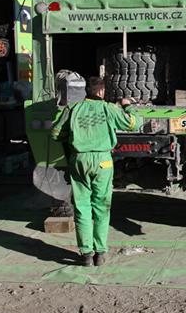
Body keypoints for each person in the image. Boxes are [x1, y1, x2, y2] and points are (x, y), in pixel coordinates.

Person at [51, 77, 141, 266]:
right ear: (101, 92)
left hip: (79, 160)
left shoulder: (73, 109)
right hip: (103, 162)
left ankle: (86, 255)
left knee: (82, 207)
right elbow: (134, 123)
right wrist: (127, 106)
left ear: (87, 92)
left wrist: (72, 137)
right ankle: (100, 253)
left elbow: (55, 133)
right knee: (102, 207)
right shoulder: (109, 108)